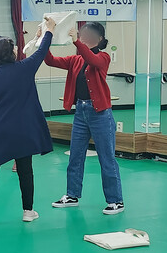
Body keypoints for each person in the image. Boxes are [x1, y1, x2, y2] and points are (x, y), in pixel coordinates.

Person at [0, 17, 56, 224]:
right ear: (11, 53)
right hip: (23, 131)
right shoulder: (25, 68)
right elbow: (41, 52)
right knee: (25, 171)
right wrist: (49, 31)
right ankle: (28, 211)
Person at [46, 22, 124, 215]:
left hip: (100, 114)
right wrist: (44, 40)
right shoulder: (75, 60)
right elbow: (50, 61)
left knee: (107, 158)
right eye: (82, 35)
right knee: (75, 155)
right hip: (81, 112)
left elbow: (92, 59)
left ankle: (116, 201)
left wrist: (76, 43)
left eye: (88, 35)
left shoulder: (103, 57)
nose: (84, 38)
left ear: (99, 39)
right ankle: (72, 195)